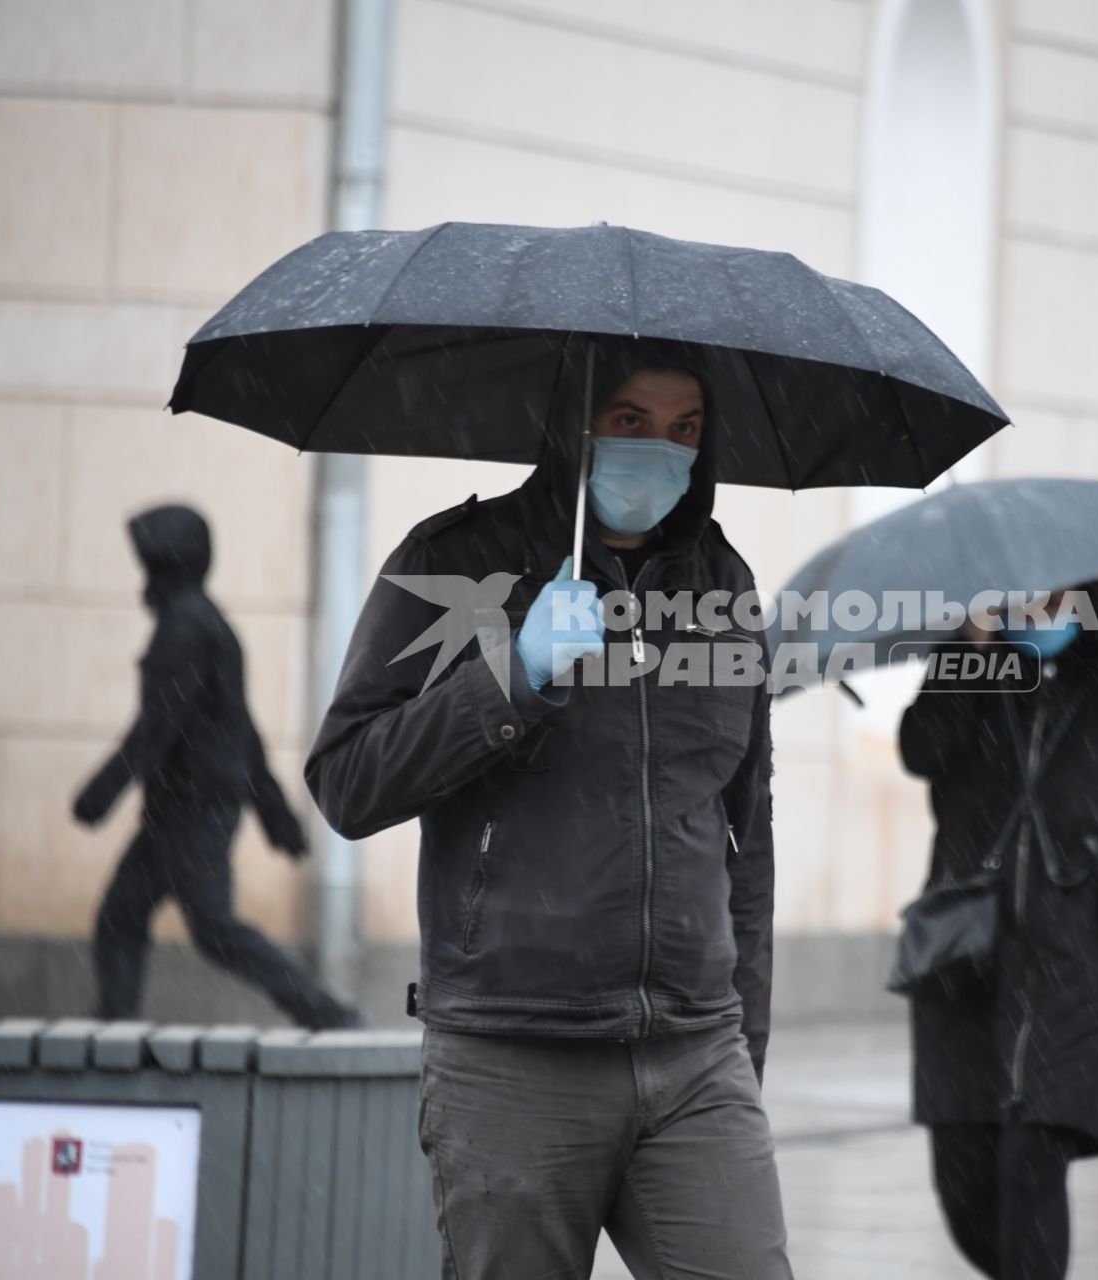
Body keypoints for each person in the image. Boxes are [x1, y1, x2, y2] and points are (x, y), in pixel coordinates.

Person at [306, 339, 788, 1278]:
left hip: (695, 1053)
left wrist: (744, 1039)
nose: (662, 452)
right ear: (578, 428)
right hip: (514, 1055)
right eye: (631, 423)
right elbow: (349, 782)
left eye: (685, 430)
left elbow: (745, 834)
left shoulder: (722, 587)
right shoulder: (454, 564)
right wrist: (512, 677)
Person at [898, 594, 1098, 1280]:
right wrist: (972, 651)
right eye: (1019, 586)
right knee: (965, 1184)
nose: (1036, 598)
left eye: (1055, 586)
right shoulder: (968, 667)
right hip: (964, 956)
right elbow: (921, 750)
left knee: (1032, 1155)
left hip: (1078, 954)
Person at [72, 504, 359, 1030]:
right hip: (182, 809)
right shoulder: (207, 625)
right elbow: (241, 731)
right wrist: (276, 816)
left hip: (192, 810)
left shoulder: (186, 628)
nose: (143, 577)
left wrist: (101, 792)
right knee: (122, 917)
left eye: (149, 564)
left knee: (213, 930)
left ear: (167, 565)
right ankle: (114, 1023)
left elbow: (158, 726)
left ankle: (325, 1013)